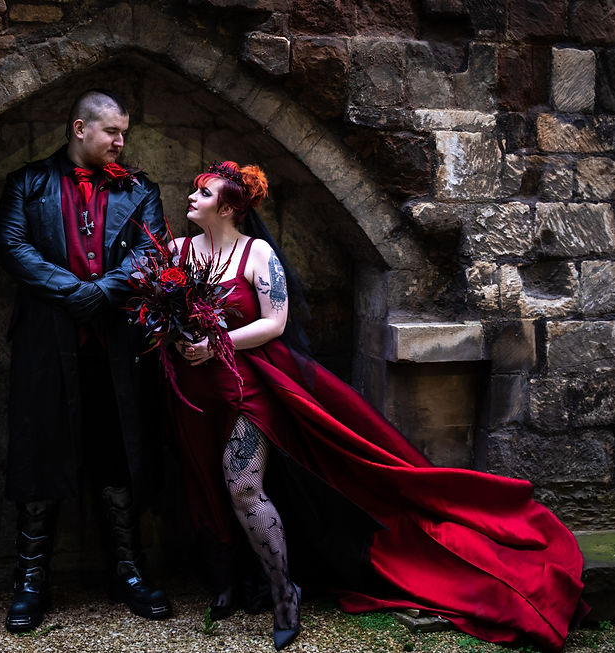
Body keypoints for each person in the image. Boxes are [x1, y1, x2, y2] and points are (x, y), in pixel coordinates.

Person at [165, 160, 587, 651]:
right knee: (203, 482)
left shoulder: (256, 254)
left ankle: (284, 593)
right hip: (192, 391)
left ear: (231, 206)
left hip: (248, 389)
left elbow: (274, 323)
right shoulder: (177, 252)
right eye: (194, 190)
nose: (192, 197)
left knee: (242, 486)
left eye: (204, 191)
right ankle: (229, 579)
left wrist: (217, 344)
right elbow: (164, 309)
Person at [0, 88, 171, 633]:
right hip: (47, 345)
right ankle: (31, 580)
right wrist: (75, 291)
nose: (121, 142)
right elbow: (12, 247)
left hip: (115, 349)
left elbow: (153, 252)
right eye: (112, 131)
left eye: (124, 133)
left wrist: (104, 293)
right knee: (40, 456)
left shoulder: (140, 190)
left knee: (117, 456)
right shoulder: (27, 182)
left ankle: (127, 569)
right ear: (80, 129)